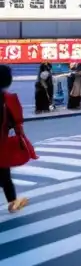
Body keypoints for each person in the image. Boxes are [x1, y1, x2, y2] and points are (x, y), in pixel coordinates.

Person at [0, 64, 35, 213]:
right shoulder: (9, 100)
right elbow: (17, 123)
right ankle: (12, 203)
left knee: (5, 177)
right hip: (2, 145)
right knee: (5, 177)